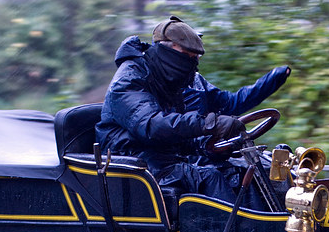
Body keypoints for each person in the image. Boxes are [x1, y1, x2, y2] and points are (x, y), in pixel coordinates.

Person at [95, 15, 290, 202]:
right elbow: (152, 125)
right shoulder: (129, 79)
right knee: (209, 178)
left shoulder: (172, 79)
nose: (193, 62)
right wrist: (210, 124)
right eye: (187, 55)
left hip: (164, 157)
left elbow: (181, 134)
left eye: (195, 56)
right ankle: (242, 226)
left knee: (237, 171)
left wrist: (207, 146)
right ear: (167, 50)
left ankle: (273, 221)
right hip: (133, 164)